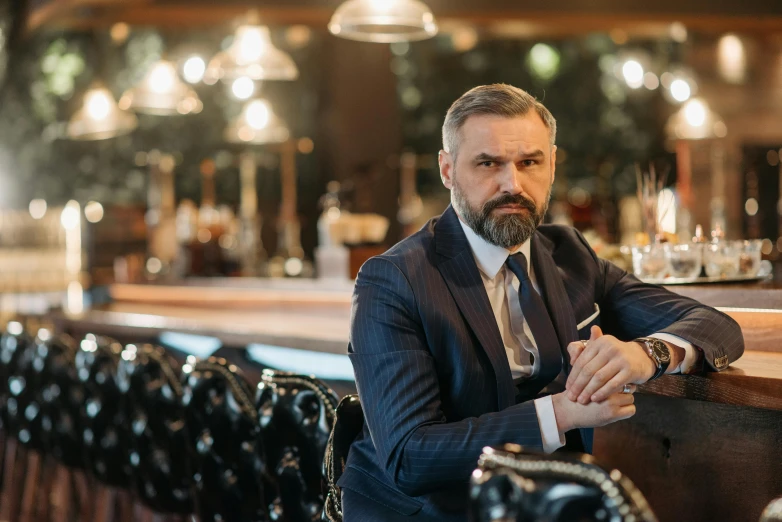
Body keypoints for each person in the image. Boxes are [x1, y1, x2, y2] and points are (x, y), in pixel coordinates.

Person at [340, 84, 744, 521]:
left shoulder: (569, 252)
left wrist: (648, 354)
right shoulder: (394, 279)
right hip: (428, 511)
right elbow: (409, 457)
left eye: (529, 162)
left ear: (551, 165)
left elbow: (715, 325)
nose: (512, 184)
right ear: (447, 170)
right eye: (488, 163)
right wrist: (563, 414)